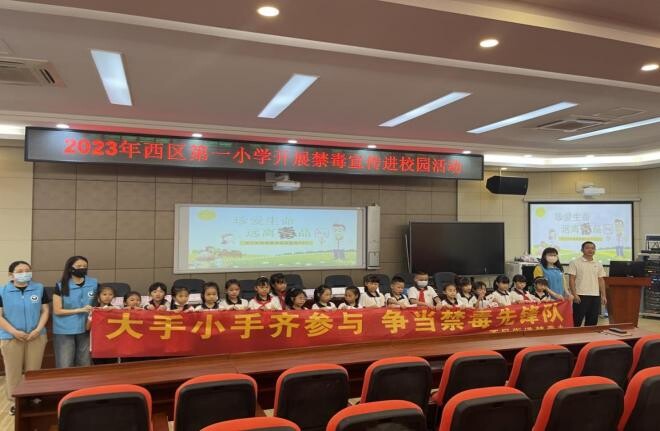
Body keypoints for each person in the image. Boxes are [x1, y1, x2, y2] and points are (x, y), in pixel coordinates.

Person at [0, 261, 49, 415]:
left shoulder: (39, 288)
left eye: (27, 270)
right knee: (13, 371)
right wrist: (13, 331)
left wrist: (38, 329)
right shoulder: (2, 291)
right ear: (11, 274)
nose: (24, 273)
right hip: (10, 337)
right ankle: (15, 402)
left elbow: (45, 310)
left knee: (33, 370)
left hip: (36, 336)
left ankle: (33, 396)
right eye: (20, 271)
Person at [52, 255, 98, 368]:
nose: (82, 268)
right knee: (65, 363)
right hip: (65, 329)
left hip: (86, 327)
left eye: (84, 266)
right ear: (70, 268)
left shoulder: (94, 283)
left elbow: (100, 302)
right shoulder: (60, 285)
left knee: (84, 362)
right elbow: (57, 310)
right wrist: (79, 310)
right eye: (78, 266)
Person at [566, 241, 607, 326]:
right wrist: (574, 294)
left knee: (592, 322)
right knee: (577, 320)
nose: (590, 250)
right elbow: (571, 279)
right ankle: (575, 335)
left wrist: (603, 295)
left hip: (595, 296)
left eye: (592, 248)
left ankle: (589, 335)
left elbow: (601, 280)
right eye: (587, 248)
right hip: (580, 295)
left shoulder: (598, 264)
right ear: (582, 250)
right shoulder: (575, 262)